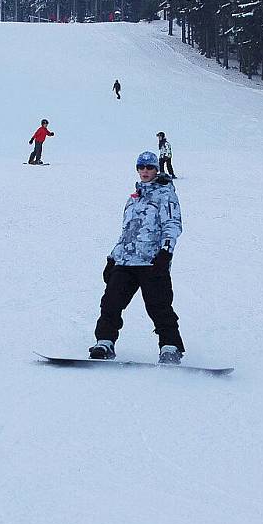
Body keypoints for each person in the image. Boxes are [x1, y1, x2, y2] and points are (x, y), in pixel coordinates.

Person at [89, 151, 185, 365]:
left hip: (152, 262)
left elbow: (172, 225)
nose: (145, 171)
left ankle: (170, 346)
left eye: (149, 167)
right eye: (141, 167)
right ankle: (105, 343)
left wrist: (166, 252)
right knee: (110, 303)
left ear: (156, 169)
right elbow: (127, 231)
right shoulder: (133, 199)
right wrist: (112, 258)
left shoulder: (165, 194)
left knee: (158, 305)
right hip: (125, 261)